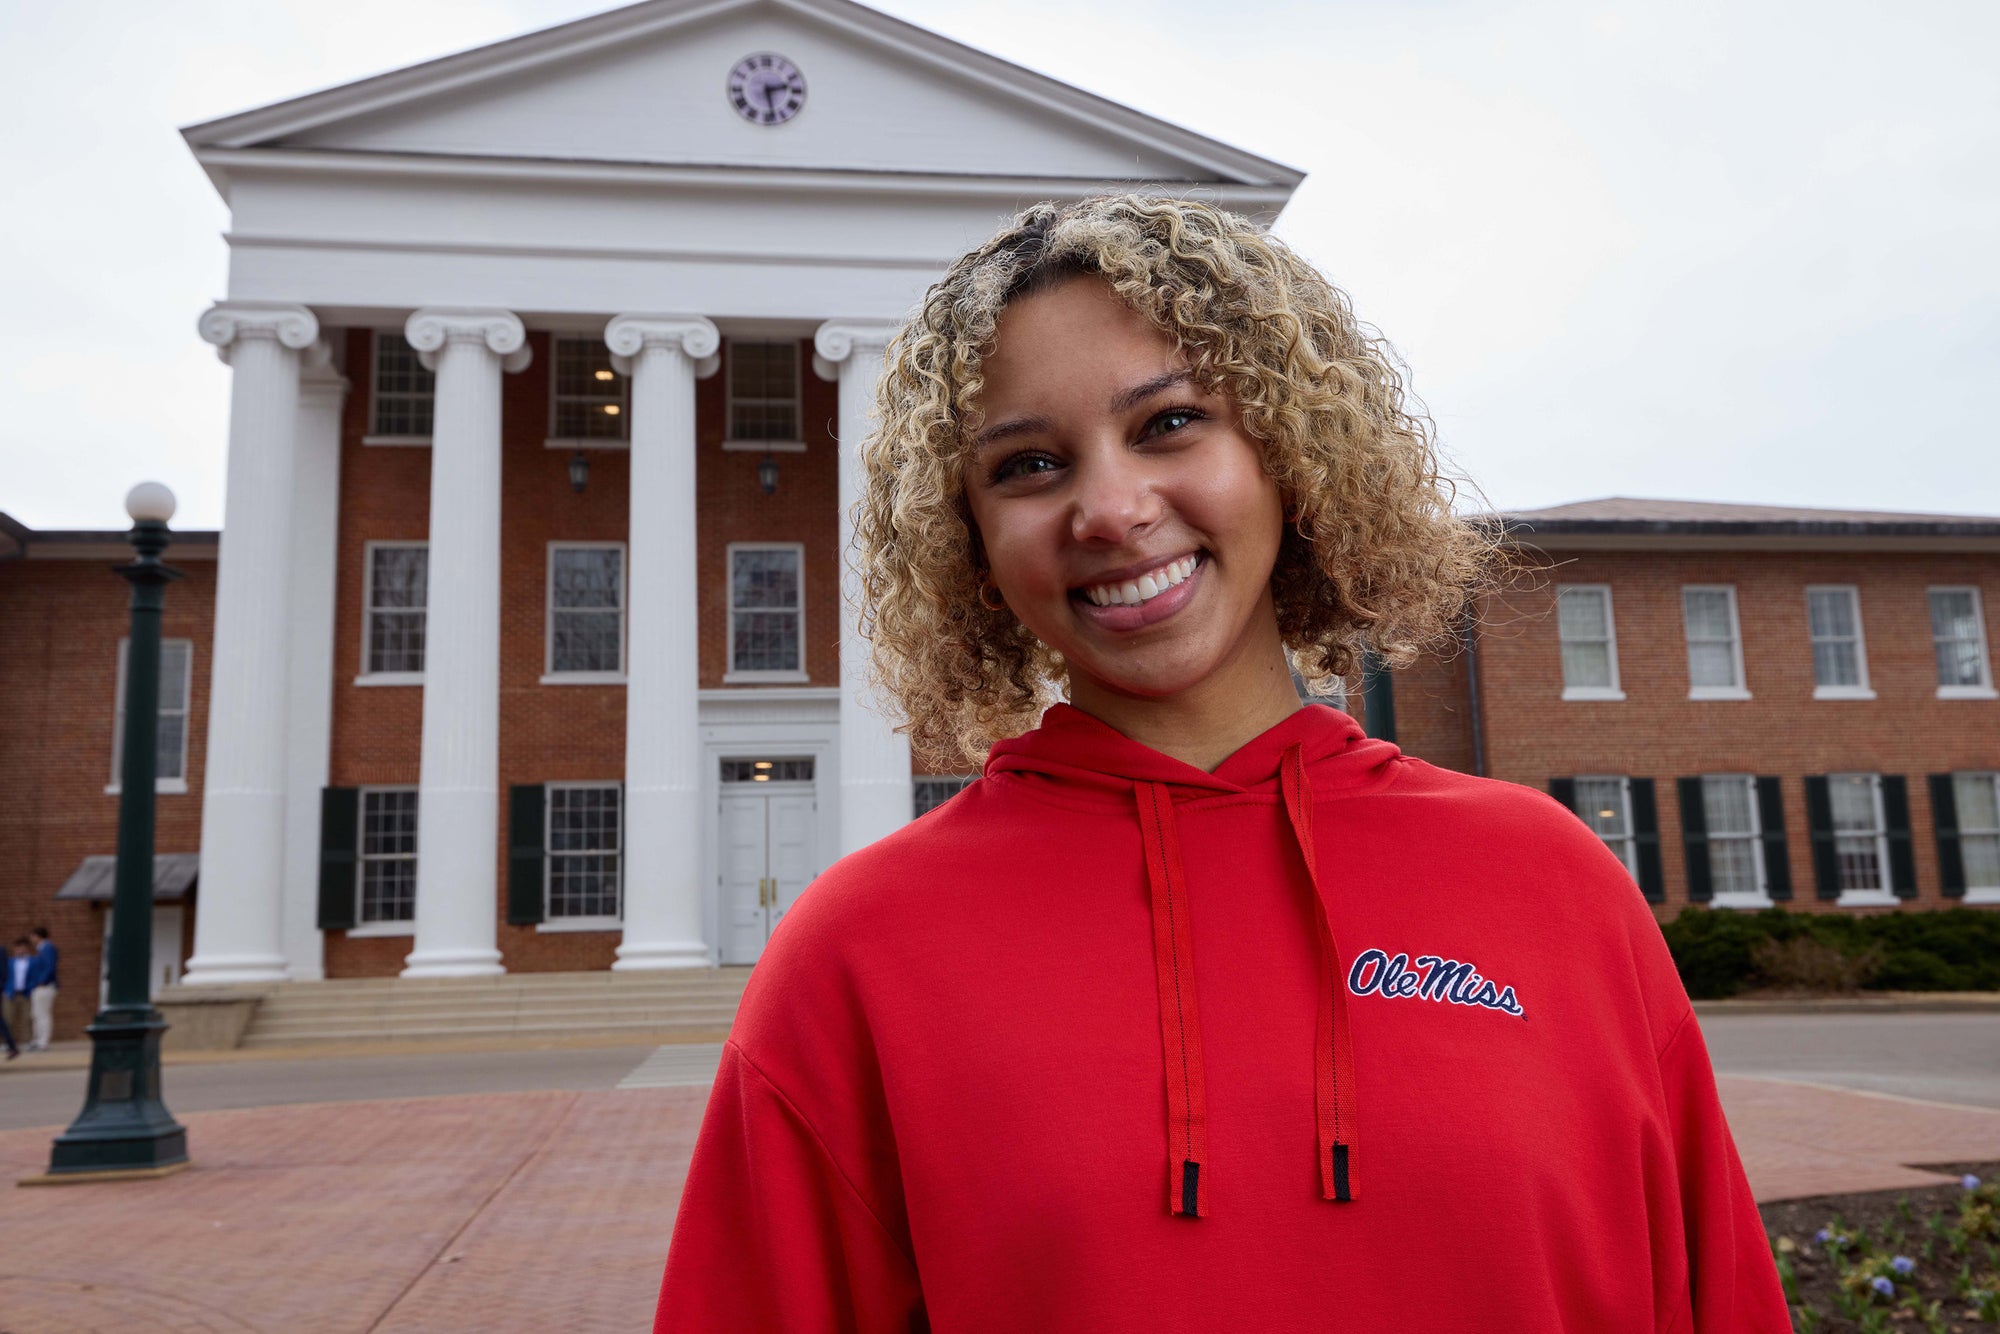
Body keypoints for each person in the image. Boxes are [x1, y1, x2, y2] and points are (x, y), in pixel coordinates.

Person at [657, 196, 1789, 1331]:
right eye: (1030, 463)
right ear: (968, 541)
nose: (1109, 509)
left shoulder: (1547, 881)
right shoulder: (858, 952)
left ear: (1284, 451)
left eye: (1167, 423)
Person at [26, 926, 58, 1052]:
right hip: (38, 986)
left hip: (45, 986)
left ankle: (43, 1041)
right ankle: (37, 1040)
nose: (31, 938)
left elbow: (50, 966)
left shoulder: (48, 948)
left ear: (38, 936)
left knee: (43, 1014)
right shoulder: (41, 949)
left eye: (33, 935)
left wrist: (42, 981)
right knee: (36, 1014)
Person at [2, 938, 30, 1057]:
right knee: (7, 1019)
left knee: (26, 1018)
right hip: (10, 993)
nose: (19, 950)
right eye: (17, 948)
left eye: (22, 947)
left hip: (25, 993)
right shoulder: (10, 961)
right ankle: (9, 1043)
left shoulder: (31, 961)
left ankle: (25, 1042)